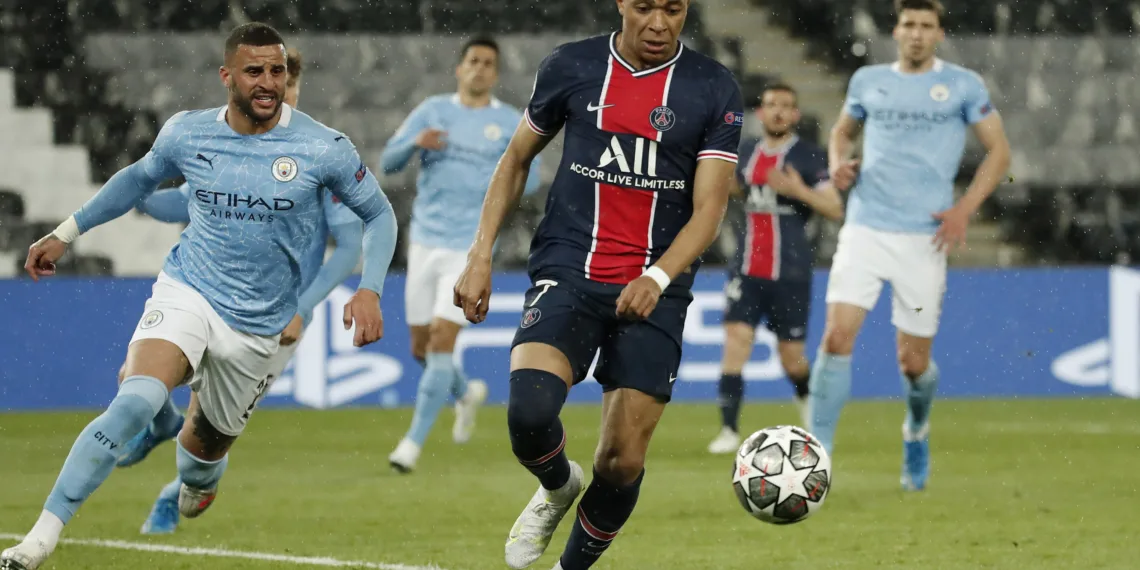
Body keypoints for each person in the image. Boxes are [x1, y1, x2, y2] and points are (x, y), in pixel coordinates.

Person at [1, 23, 397, 570]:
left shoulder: (322, 147)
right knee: (134, 400)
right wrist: (66, 233)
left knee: (203, 455)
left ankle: (196, 478)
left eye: (277, 71)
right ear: (227, 75)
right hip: (190, 290)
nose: (268, 83)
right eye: (254, 71)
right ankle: (38, 539)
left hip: (259, 326)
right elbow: (138, 180)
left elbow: (378, 213)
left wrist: (369, 288)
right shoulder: (187, 134)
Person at [452, 1, 743, 568]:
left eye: (674, 9)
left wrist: (658, 275)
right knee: (530, 416)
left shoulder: (712, 85)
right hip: (569, 269)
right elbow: (515, 160)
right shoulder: (572, 66)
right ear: (621, 4)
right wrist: (480, 253)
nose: (659, 23)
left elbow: (710, 207)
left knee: (622, 462)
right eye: (644, 7)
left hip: (657, 286)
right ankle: (559, 485)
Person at [118, 47, 365, 535]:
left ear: (297, 91)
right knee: (137, 372)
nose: (277, 93)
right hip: (212, 295)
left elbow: (349, 245)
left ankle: (175, 490)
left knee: (208, 420)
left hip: (275, 316)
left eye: (288, 84)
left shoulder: (317, 154)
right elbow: (182, 206)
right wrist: (140, 194)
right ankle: (162, 426)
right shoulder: (233, 151)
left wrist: (302, 306)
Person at [811, 0, 1011, 491]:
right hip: (866, 227)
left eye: (926, 26)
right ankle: (817, 459)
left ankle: (916, 431)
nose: (917, 34)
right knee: (836, 338)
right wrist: (838, 161)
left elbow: (1000, 150)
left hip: (925, 237)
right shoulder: (868, 80)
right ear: (896, 31)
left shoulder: (963, 85)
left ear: (939, 34)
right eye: (909, 25)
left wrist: (965, 207)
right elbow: (842, 132)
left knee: (913, 363)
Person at [380, 36, 542, 473]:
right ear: (460, 68)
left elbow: (531, 179)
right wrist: (416, 141)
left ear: (496, 73)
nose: (480, 69)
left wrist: (502, 175)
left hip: (470, 248)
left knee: (440, 340)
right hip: (424, 242)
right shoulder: (433, 111)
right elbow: (387, 164)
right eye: (473, 61)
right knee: (421, 348)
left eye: (489, 63)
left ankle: (410, 447)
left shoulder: (509, 122)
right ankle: (466, 392)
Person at [707, 83, 844, 454]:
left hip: (791, 273)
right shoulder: (747, 151)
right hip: (746, 269)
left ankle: (810, 415)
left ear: (796, 115)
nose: (778, 112)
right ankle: (729, 431)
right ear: (761, 113)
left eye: (786, 106)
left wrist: (799, 191)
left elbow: (834, 209)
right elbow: (735, 188)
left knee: (792, 359)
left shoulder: (810, 157)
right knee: (735, 342)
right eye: (771, 105)